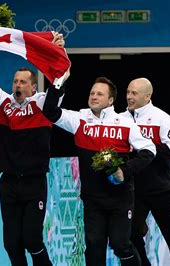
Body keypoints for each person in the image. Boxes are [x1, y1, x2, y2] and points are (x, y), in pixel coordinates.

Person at [0, 20, 65, 266]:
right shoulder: (3, 104)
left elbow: (60, 79)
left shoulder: (43, 104)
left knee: (32, 241)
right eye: (15, 81)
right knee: (11, 243)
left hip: (34, 183)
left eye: (23, 82)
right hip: (9, 184)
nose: (17, 85)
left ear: (33, 86)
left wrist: (58, 50)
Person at [42, 76, 156, 266]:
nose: (94, 96)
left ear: (110, 100)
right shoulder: (79, 119)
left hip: (120, 199)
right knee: (94, 245)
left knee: (120, 245)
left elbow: (149, 150)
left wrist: (125, 170)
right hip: (93, 199)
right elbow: (50, 111)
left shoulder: (125, 123)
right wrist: (59, 80)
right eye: (92, 93)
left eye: (99, 94)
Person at [122, 78, 170, 266]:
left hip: (160, 189)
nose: (129, 96)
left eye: (134, 93)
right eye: (128, 92)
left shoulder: (162, 118)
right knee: (130, 233)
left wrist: (143, 149)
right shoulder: (120, 119)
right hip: (133, 190)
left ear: (147, 96)